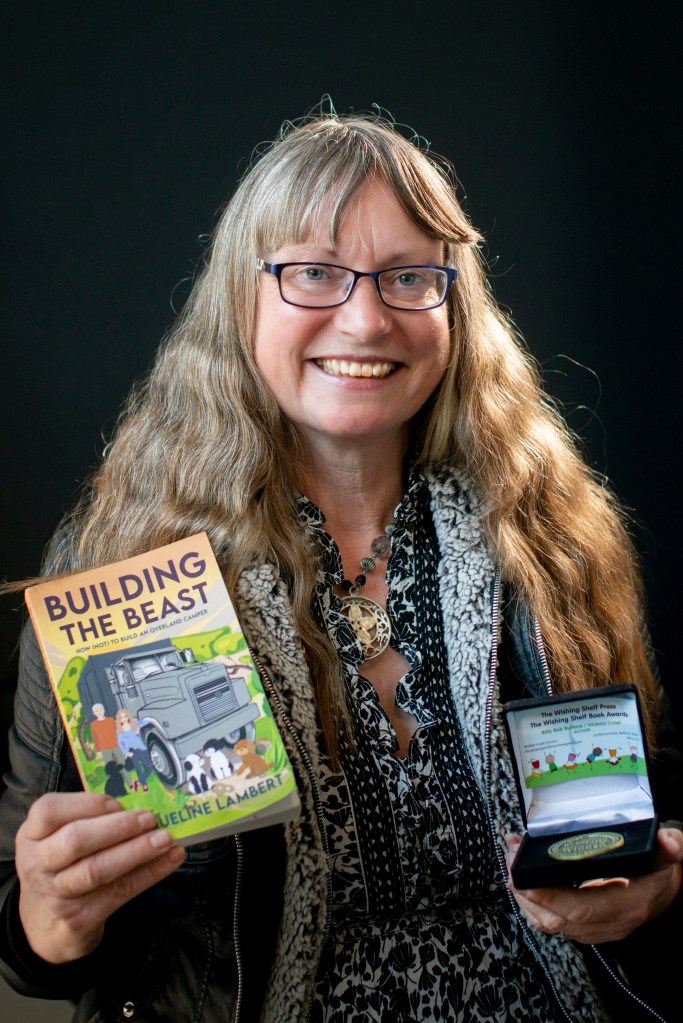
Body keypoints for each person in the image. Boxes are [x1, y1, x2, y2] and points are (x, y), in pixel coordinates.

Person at [0, 111, 681, 1023]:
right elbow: (28, 940)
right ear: (241, 298)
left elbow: (656, 793)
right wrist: (47, 921)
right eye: (312, 272)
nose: (364, 318)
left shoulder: (550, 535)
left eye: (408, 276)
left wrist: (658, 884)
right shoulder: (124, 564)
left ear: (454, 305)